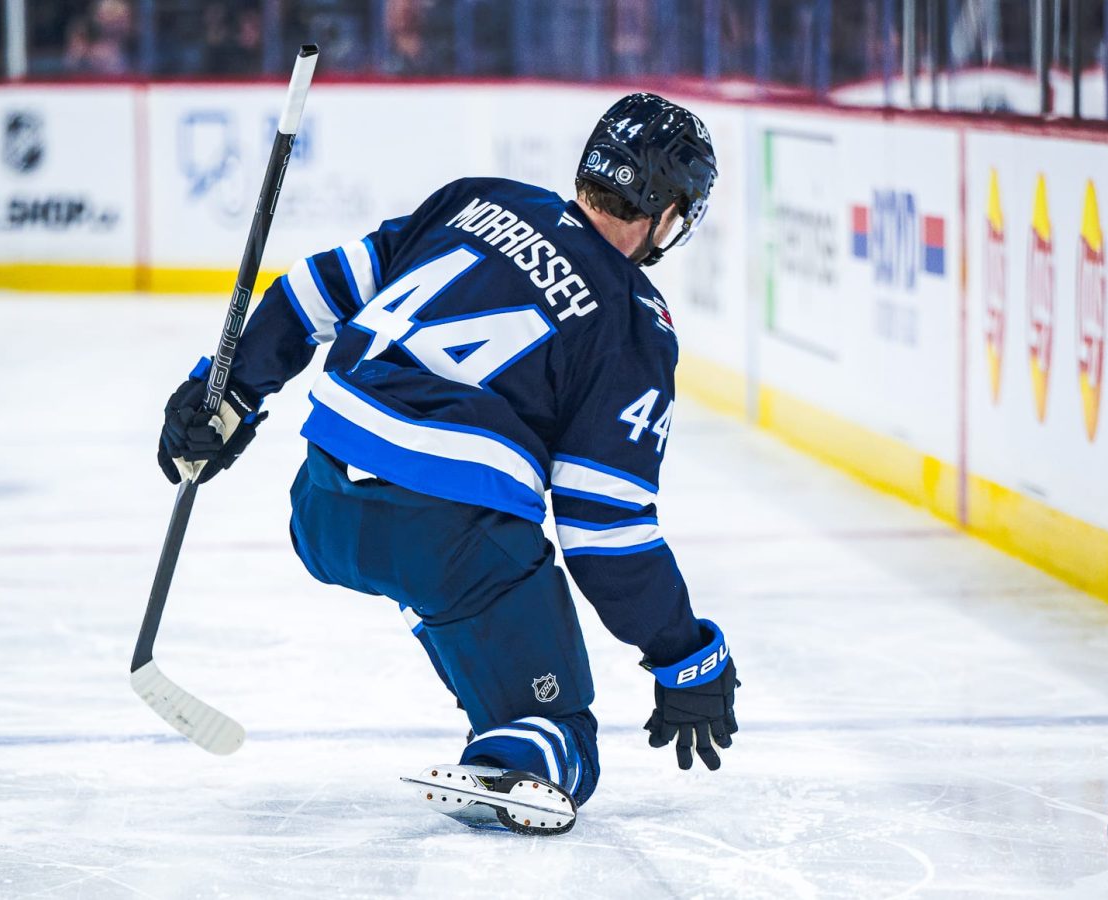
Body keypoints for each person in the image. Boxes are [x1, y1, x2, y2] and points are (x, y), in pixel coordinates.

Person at [157, 93, 739, 835]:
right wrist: (683, 652)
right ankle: (519, 739)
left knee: (431, 564)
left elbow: (313, 291)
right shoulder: (632, 321)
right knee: (556, 730)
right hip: (447, 537)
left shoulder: (480, 200)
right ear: (664, 209)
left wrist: (227, 391)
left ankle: (478, 660)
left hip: (322, 503)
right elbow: (604, 527)